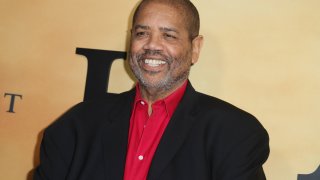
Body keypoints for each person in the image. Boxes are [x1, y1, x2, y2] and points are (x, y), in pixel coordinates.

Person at [33, 0, 269, 179]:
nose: (152, 45)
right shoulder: (78, 123)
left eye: (168, 35)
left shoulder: (235, 134)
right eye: (142, 33)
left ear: (195, 48)